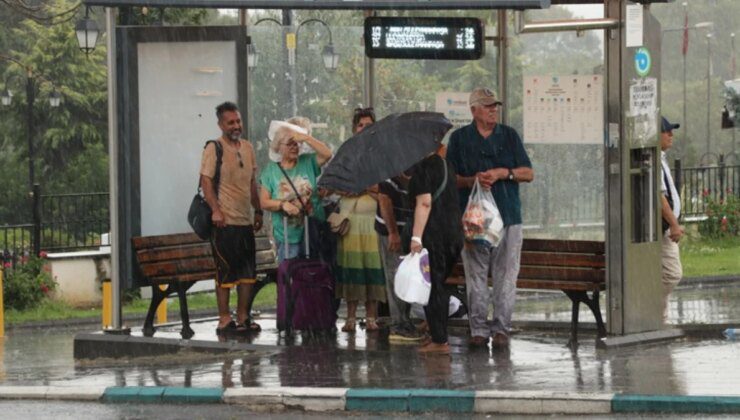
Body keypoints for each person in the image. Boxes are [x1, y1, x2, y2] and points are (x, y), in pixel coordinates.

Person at [446, 88, 534, 350]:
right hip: (474, 220)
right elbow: (450, 178)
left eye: (494, 106)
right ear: (473, 110)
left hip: (508, 216)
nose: (493, 110)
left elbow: (528, 173)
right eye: (486, 106)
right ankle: (478, 329)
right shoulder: (460, 139)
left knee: (506, 275)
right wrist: (472, 180)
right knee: (476, 276)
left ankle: (501, 329)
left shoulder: (509, 136)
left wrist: (503, 173)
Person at [200, 101, 264, 335]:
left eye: (238, 121)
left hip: (244, 221)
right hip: (224, 223)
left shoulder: (247, 147)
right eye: (231, 122)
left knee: (248, 274)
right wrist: (215, 210)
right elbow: (205, 181)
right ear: (221, 124)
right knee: (226, 273)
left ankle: (243, 316)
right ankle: (224, 318)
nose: (236, 126)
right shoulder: (213, 148)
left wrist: (258, 210)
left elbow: (251, 183)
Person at [406, 147, 464, 354]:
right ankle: (438, 335)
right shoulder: (446, 165)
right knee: (439, 285)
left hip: (434, 235)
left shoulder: (423, 168)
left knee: (431, 288)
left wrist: (416, 237)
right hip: (453, 233)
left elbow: (425, 203)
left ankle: (440, 341)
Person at [335, 107, 387, 333]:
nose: (365, 129)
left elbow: (383, 188)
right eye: (361, 125)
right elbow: (340, 186)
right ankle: (350, 317)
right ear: (354, 129)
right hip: (350, 220)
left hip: (373, 219)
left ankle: (372, 317)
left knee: (372, 268)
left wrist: (365, 186)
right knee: (352, 269)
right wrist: (360, 187)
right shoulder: (346, 154)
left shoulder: (381, 156)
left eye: (369, 125)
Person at [259, 117, 332, 262]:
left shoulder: (308, 161)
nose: (295, 147)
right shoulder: (271, 171)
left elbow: (327, 154)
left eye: (297, 144)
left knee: (315, 275)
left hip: (313, 232)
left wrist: (306, 137)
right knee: (292, 278)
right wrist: (282, 204)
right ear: (279, 146)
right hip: (287, 236)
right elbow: (264, 202)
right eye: (290, 144)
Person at [659, 116, 684, 323]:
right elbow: (660, 197)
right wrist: (673, 223)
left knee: (664, 273)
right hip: (663, 228)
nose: (671, 135)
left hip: (667, 226)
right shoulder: (654, 161)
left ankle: (660, 319)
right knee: (671, 274)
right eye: (667, 131)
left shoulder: (661, 159)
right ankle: (648, 307)